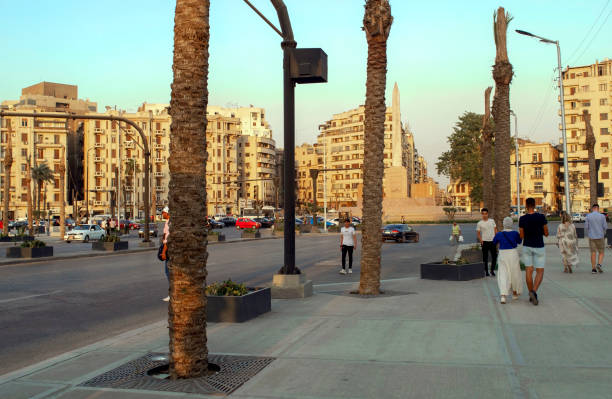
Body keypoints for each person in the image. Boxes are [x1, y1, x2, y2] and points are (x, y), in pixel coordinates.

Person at [519, 197, 548, 306]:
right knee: (540, 271)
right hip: (539, 246)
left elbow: (521, 235)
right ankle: (534, 291)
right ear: (535, 205)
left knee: (528, 271)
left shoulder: (522, 219)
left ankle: (531, 292)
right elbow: (546, 232)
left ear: (526, 206)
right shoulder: (541, 217)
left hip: (527, 246)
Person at [493, 217, 522, 304]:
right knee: (514, 273)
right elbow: (519, 241)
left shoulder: (499, 234)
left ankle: (503, 296)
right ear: (511, 224)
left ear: (504, 224)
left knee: (503, 273)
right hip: (513, 253)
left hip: (503, 254)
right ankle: (515, 293)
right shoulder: (515, 233)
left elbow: (494, 242)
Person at [585, 203, 607, 274]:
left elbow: (586, 227)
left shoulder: (588, 216)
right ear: (598, 208)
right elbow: (605, 227)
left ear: (592, 208)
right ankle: (599, 264)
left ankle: (593, 269)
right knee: (601, 252)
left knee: (593, 253)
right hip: (600, 236)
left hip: (592, 237)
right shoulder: (602, 216)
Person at [477, 208, 497, 276]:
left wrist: (496, 239)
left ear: (488, 214)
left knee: (494, 257)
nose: (484, 215)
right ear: (481, 214)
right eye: (483, 214)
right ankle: (486, 272)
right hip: (484, 242)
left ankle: (492, 270)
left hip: (492, 242)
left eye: (486, 214)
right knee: (485, 258)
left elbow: (495, 230)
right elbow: (478, 233)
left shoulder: (492, 221)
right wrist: (481, 241)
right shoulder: (479, 223)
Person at [161, 206, 170, 301]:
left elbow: (167, 239)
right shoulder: (167, 222)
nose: (162, 214)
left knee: (168, 272)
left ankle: (172, 293)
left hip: (168, 250)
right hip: (167, 248)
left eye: (163, 212)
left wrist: (164, 252)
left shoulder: (169, 223)